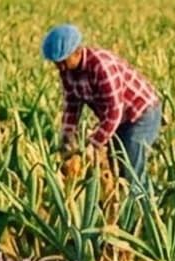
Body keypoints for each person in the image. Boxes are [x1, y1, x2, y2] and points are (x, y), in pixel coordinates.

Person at [43, 23, 162, 185]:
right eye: (56, 63)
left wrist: (94, 144)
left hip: (141, 113)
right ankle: (120, 198)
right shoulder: (67, 71)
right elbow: (71, 106)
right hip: (121, 119)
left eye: (63, 61)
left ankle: (142, 199)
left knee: (131, 165)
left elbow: (114, 111)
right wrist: (67, 138)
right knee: (115, 164)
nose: (60, 68)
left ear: (77, 52)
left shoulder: (101, 65)